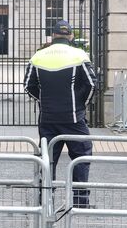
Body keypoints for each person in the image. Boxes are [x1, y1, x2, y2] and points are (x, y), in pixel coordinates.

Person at [24, 20, 96, 207]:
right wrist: (80, 105)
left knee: (47, 161)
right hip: (74, 118)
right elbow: (91, 84)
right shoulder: (79, 55)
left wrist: (44, 101)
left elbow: (29, 86)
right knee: (81, 157)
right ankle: (80, 202)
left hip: (48, 119)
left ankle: (45, 201)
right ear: (70, 36)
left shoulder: (38, 56)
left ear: (53, 36)